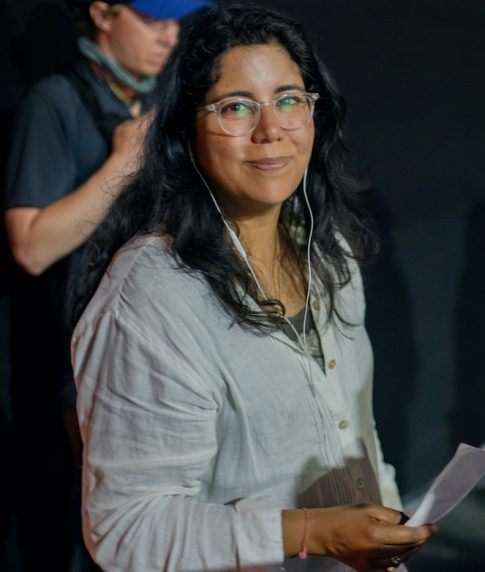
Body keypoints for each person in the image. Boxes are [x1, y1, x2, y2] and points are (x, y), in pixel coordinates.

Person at [69, 5, 436, 570]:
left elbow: (353, 429)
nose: (271, 131)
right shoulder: (151, 300)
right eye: (237, 107)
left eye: (290, 100)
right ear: (185, 129)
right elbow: (128, 530)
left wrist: (385, 530)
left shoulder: (326, 249)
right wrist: (315, 532)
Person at [3, 1, 208, 569]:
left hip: (154, 355)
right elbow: (31, 246)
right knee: (112, 536)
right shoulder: (53, 103)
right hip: (82, 373)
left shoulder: (145, 99)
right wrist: (122, 163)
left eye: (175, 22)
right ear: (102, 12)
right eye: (151, 19)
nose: (169, 36)